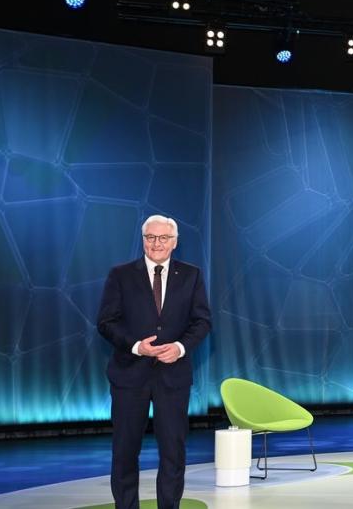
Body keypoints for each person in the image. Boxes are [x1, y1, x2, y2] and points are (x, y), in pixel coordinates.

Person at [96, 214, 212, 509]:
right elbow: (106, 322)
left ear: (174, 243)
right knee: (124, 451)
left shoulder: (192, 275)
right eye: (150, 237)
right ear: (143, 239)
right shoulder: (120, 274)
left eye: (163, 238)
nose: (156, 243)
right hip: (129, 376)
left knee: (173, 452)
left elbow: (202, 322)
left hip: (173, 377)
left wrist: (180, 347)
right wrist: (136, 347)